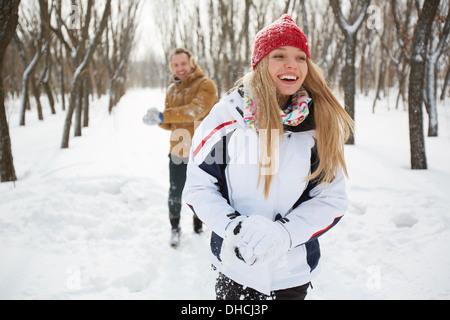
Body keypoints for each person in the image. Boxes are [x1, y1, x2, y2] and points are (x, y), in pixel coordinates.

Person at [183, 14, 354, 300]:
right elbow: (199, 188)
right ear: (260, 63)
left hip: (290, 273)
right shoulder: (226, 118)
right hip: (233, 267)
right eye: (280, 55)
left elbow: (331, 200)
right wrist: (233, 228)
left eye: (301, 57)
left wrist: (283, 235)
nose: (292, 65)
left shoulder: (318, 125)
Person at [143, 48, 218, 248]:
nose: (180, 68)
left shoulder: (206, 85)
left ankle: (199, 226)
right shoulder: (172, 90)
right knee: (175, 191)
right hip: (178, 149)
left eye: (183, 64)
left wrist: (164, 116)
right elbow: (171, 123)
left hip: (204, 151)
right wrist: (157, 119)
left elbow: (195, 111)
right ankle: (175, 228)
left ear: (192, 63)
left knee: (204, 191)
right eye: (175, 65)